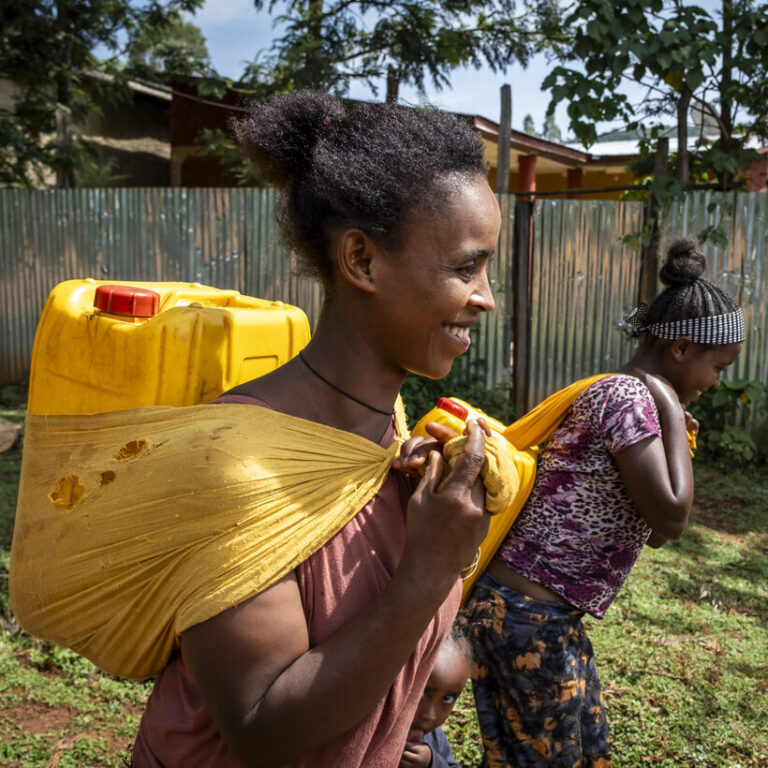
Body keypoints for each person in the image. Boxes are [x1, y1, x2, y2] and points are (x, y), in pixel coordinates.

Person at [131, 90, 501, 767]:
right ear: (361, 260)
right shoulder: (235, 466)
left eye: (486, 268)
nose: (486, 297)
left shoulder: (387, 428)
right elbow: (259, 729)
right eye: (464, 267)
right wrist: (427, 568)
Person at [464, 237, 744, 768]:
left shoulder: (634, 401)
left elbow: (655, 533)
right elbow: (674, 517)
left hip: (545, 617)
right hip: (527, 617)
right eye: (719, 367)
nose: (716, 382)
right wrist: (670, 406)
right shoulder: (628, 398)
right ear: (681, 348)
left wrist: (673, 426)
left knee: (587, 753)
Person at [400, 621, 472, 768]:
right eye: (421, 693)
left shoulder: (433, 738)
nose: (430, 715)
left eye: (447, 698)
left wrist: (432, 763)